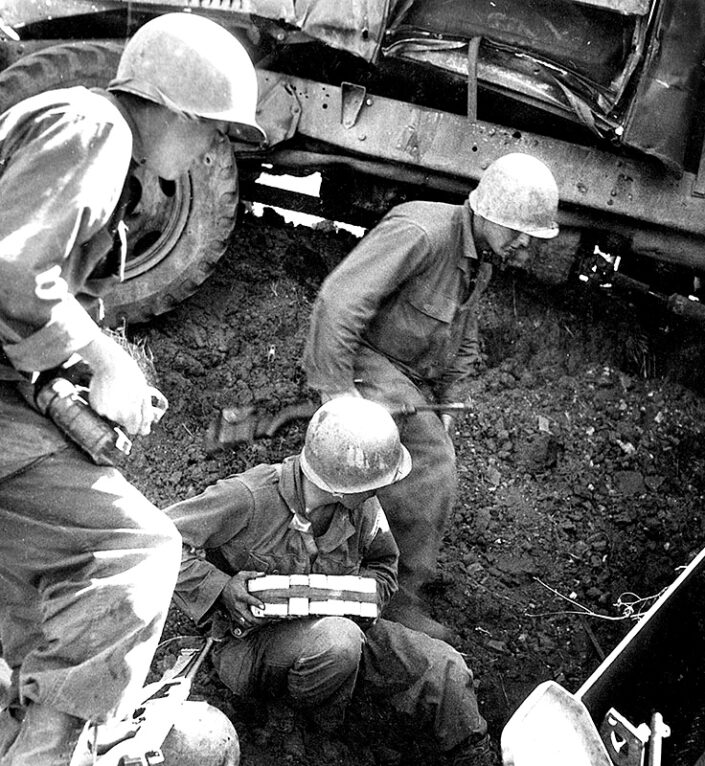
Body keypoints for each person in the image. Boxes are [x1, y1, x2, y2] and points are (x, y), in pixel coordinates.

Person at [0, 13, 264, 765]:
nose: (216, 147)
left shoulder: (91, 134)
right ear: (177, 110)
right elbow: (14, 271)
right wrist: (103, 361)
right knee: (133, 548)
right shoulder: (96, 128)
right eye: (215, 130)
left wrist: (87, 367)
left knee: (41, 582)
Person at [302, 151, 560, 640]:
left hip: (408, 380)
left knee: (418, 456)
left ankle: (379, 561)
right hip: (365, 358)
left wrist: (449, 404)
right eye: (517, 230)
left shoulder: (481, 258)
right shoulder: (423, 233)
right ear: (485, 212)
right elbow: (337, 304)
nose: (524, 244)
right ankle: (396, 601)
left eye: (532, 235)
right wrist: (336, 398)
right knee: (432, 470)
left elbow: (463, 338)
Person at [165, 397, 495, 764]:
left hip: (340, 629)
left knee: (442, 665)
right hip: (251, 646)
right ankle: (307, 731)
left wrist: (357, 596)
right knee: (339, 643)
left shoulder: (361, 508)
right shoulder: (250, 498)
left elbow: (384, 564)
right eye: (374, 484)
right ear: (342, 487)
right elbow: (159, 541)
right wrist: (221, 589)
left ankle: (474, 754)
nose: (379, 491)